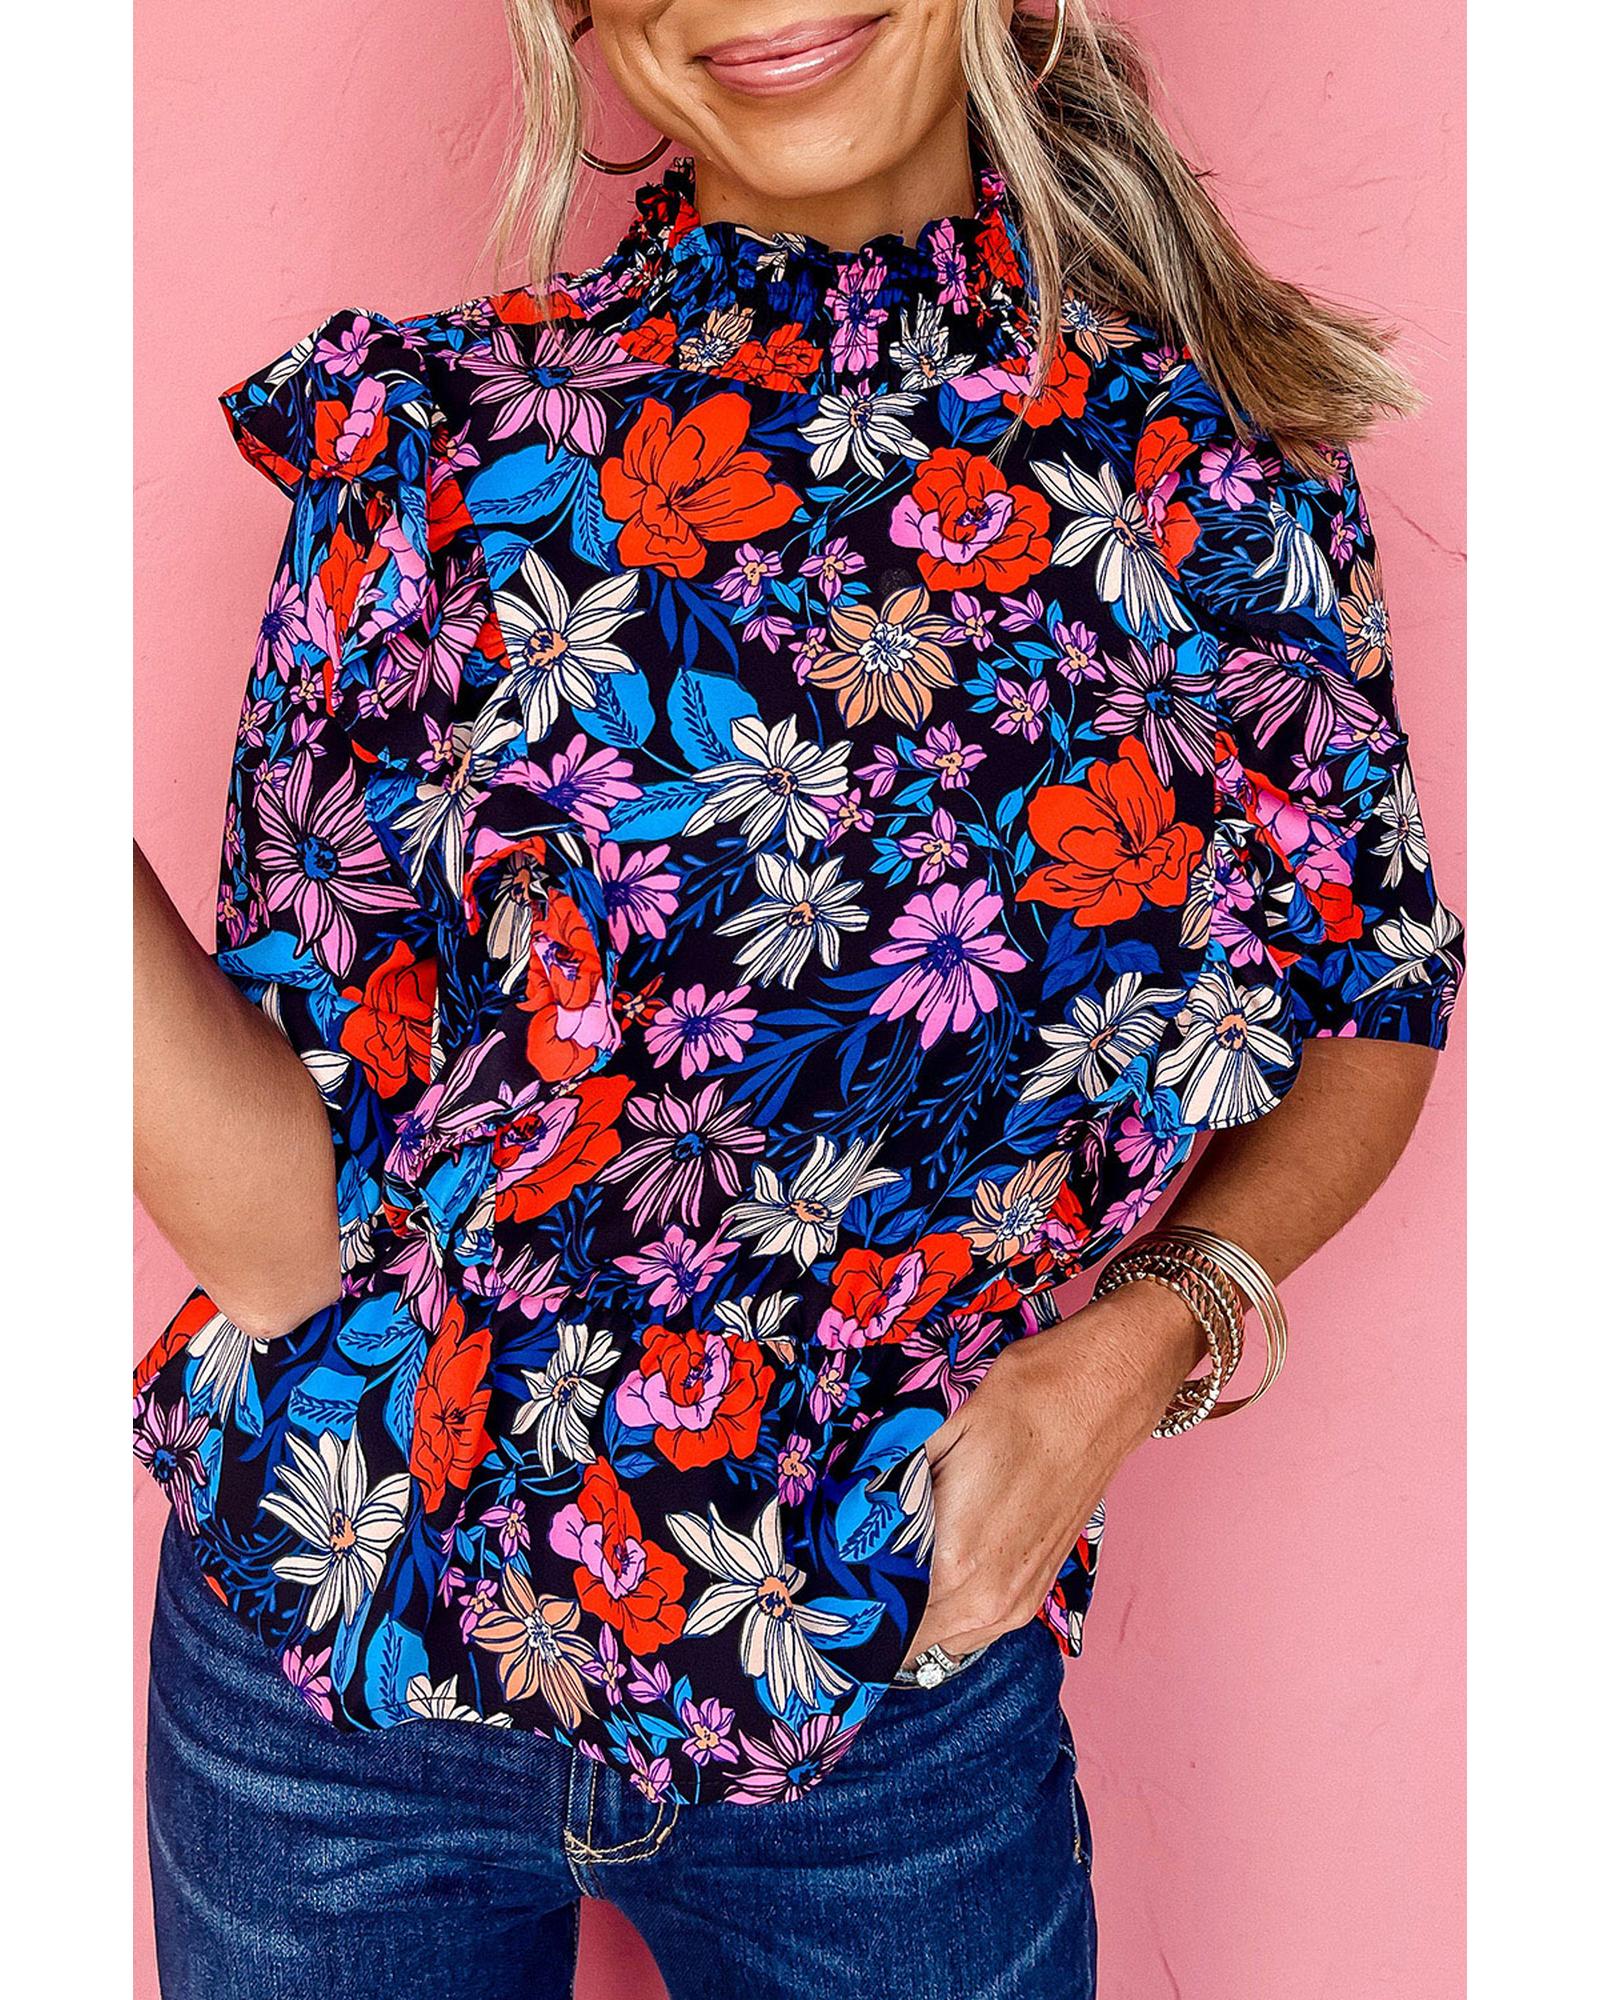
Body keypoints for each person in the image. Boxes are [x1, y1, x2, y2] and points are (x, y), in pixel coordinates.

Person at [132, 4, 1463, 1994]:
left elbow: (1372, 999)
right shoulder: (435, 447)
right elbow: (281, 1238)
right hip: (333, 1681)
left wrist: (1145, 1340)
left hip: (889, 1698)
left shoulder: (1216, 476)